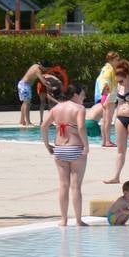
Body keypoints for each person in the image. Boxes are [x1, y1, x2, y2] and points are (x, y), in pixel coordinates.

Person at [43, 82, 89, 227]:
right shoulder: (79, 108)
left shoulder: (56, 108)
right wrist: (86, 146)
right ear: (75, 94)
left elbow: (44, 126)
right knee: (75, 186)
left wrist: (47, 145)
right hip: (75, 148)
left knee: (63, 185)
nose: (84, 97)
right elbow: (81, 127)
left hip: (60, 148)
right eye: (82, 94)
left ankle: (63, 220)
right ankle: (78, 220)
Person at [91, 51, 121, 147]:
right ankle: (107, 141)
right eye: (116, 60)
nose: (118, 62)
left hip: (105, 96)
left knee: (105, 120)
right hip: (108, 97)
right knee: (108, 120)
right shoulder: (109, 69)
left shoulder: (105, 68)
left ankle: (104, 141)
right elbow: (105, 81)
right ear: (111, 60)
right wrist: (107, 95)